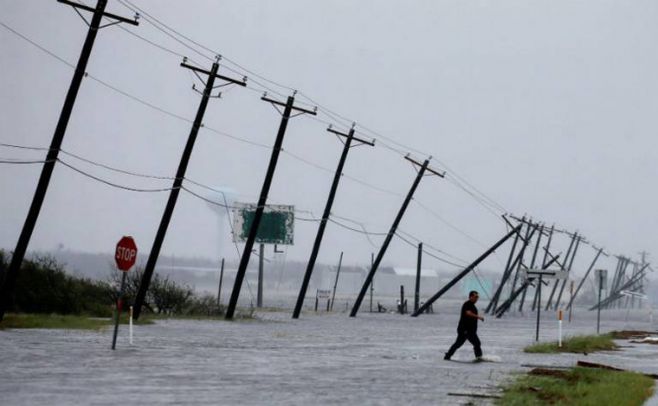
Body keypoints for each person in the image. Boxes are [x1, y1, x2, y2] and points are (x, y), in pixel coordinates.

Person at [444, 290, 484, 361]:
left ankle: (448, 356)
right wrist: (478, 317)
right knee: (477, 343)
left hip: (469, 330)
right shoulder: (467, 304)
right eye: (475, 297)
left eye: (477, 297)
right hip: (465, 329)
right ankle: (479, 358)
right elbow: (468, 313)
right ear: (470, 297)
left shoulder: (472, 306)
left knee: (458, 344)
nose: (476, 299)